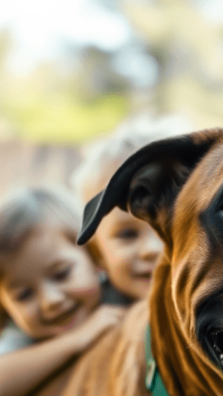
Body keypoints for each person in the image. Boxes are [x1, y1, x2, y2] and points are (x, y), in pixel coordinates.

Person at [0, 187, 125, 396]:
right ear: (4, 306)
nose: (50, 300)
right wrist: (76, 340)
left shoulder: (121, 293)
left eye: (61, 274)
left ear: (93, 256)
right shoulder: (24, 336)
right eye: (24, 295)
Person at [70, 114, 192, 301]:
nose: (153, 249)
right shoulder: (95, 319)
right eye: (128, 234)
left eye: (173, 225)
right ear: (97, 255)